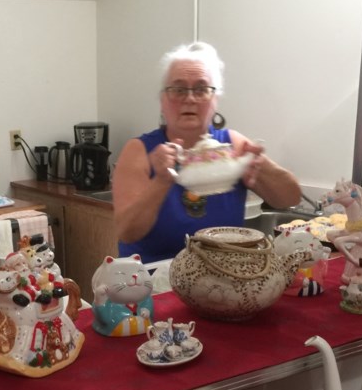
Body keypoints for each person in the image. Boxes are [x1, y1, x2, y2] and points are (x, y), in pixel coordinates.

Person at [113, 41, 301, 263]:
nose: (190, 98)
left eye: (201, 89)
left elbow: (290, 197)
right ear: (163, 101)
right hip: (152, 285)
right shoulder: (139, 151)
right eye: (179, 89)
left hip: (223, 276)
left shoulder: (233, 145)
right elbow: (127, 231)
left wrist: (262, 167)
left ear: (215, 100)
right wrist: (161, 181)